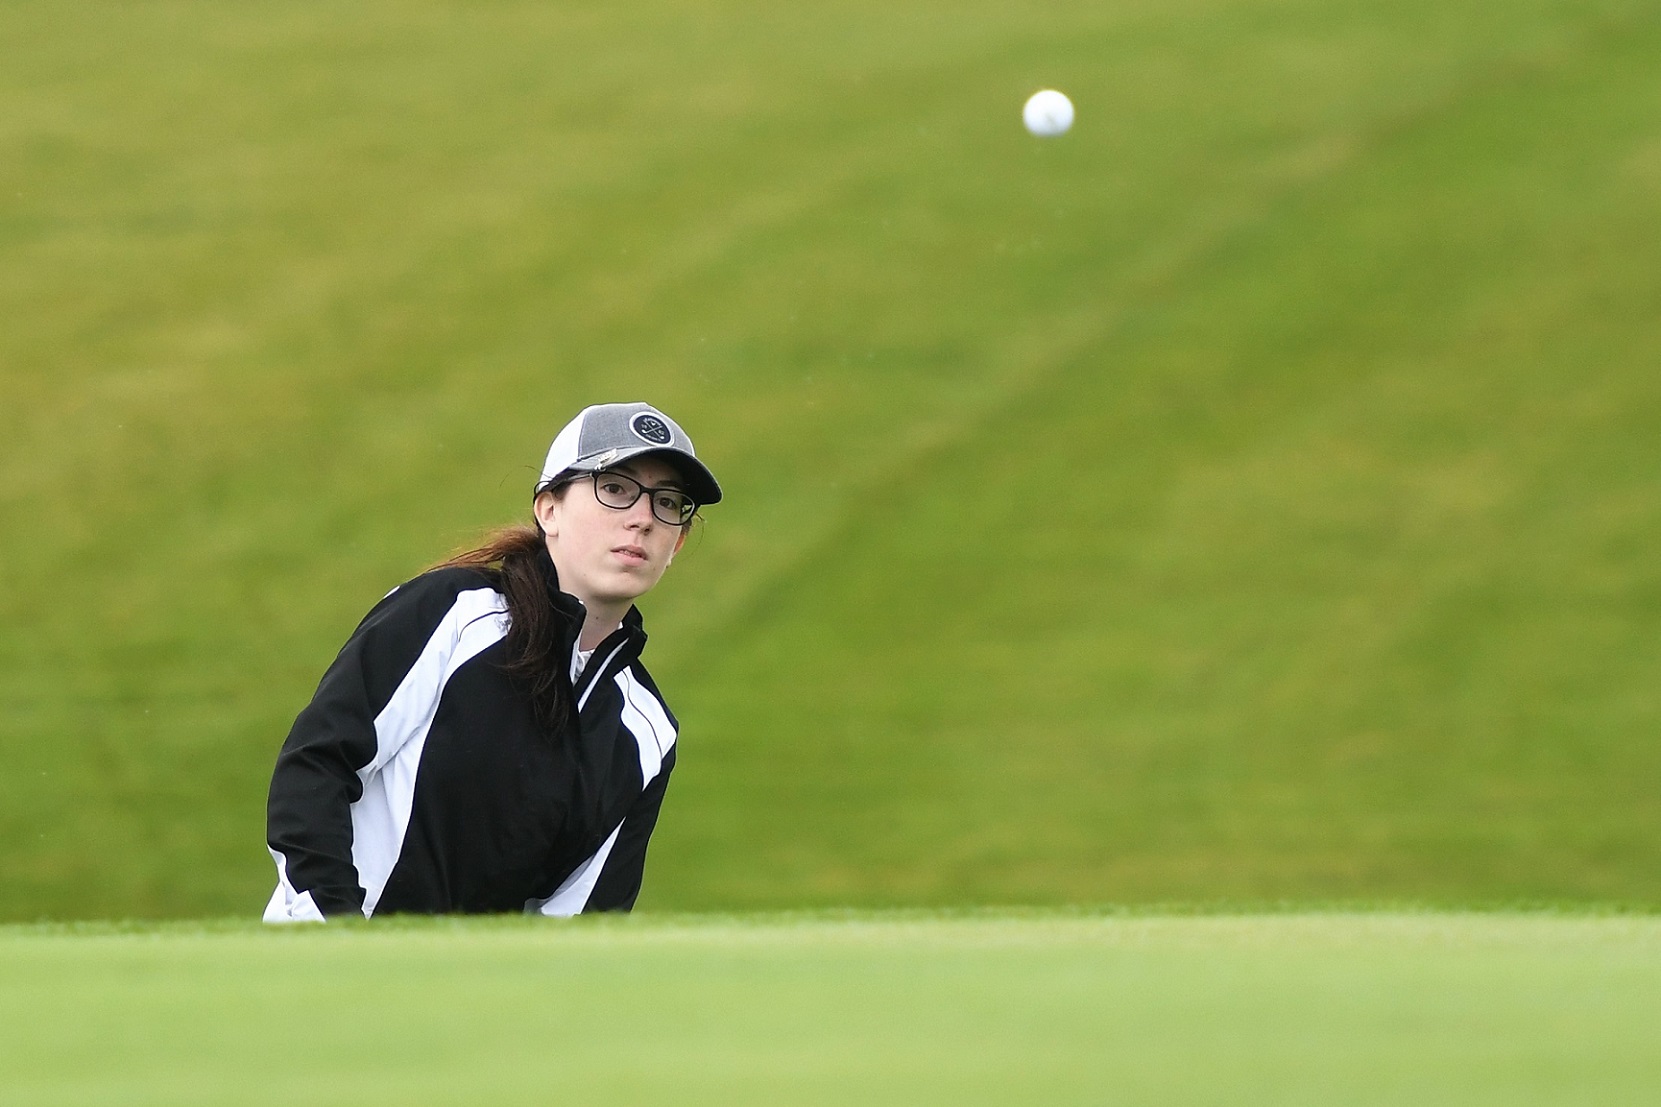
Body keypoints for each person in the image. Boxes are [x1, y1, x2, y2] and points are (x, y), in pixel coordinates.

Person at [263, 402, 720, 922]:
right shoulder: (452, 614)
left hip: (476, 999)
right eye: (615, 489)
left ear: (678, 542)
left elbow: (582, 926)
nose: (642, 519)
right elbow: (317, 766)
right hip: (324, 971)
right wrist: (337, 937)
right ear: (549, 509)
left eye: (668, 503)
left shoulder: (647, 732)